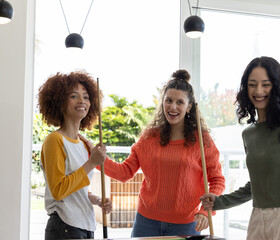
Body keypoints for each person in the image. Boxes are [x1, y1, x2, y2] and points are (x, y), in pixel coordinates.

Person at [81, 69, 225, 237]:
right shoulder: (149, 137)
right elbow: (125, 172)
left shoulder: (202, 140)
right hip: (146, 221)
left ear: (189, 107)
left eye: (180, 102)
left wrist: (205, 211)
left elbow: (217, 181)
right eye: (168, 100)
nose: (173, 107)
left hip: (187, 223)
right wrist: (95, 157)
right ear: (162, 102)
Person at [200, 56, 280, 240]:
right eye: (252, 84)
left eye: (266, 84)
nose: (258, 91)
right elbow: (256, 186)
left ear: (276, 87)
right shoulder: (249, 134)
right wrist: (219, 202)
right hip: (256, 220)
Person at [38, 71, 112, 239]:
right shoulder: (54, 140)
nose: (82, 101)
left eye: (86, 97)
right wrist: (92, 163)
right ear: (59, 102)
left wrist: (97, 200)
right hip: (65, 227)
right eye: (74, 96)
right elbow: (58, 190)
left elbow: (78, 190)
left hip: (85, 226)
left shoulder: (83, 144)